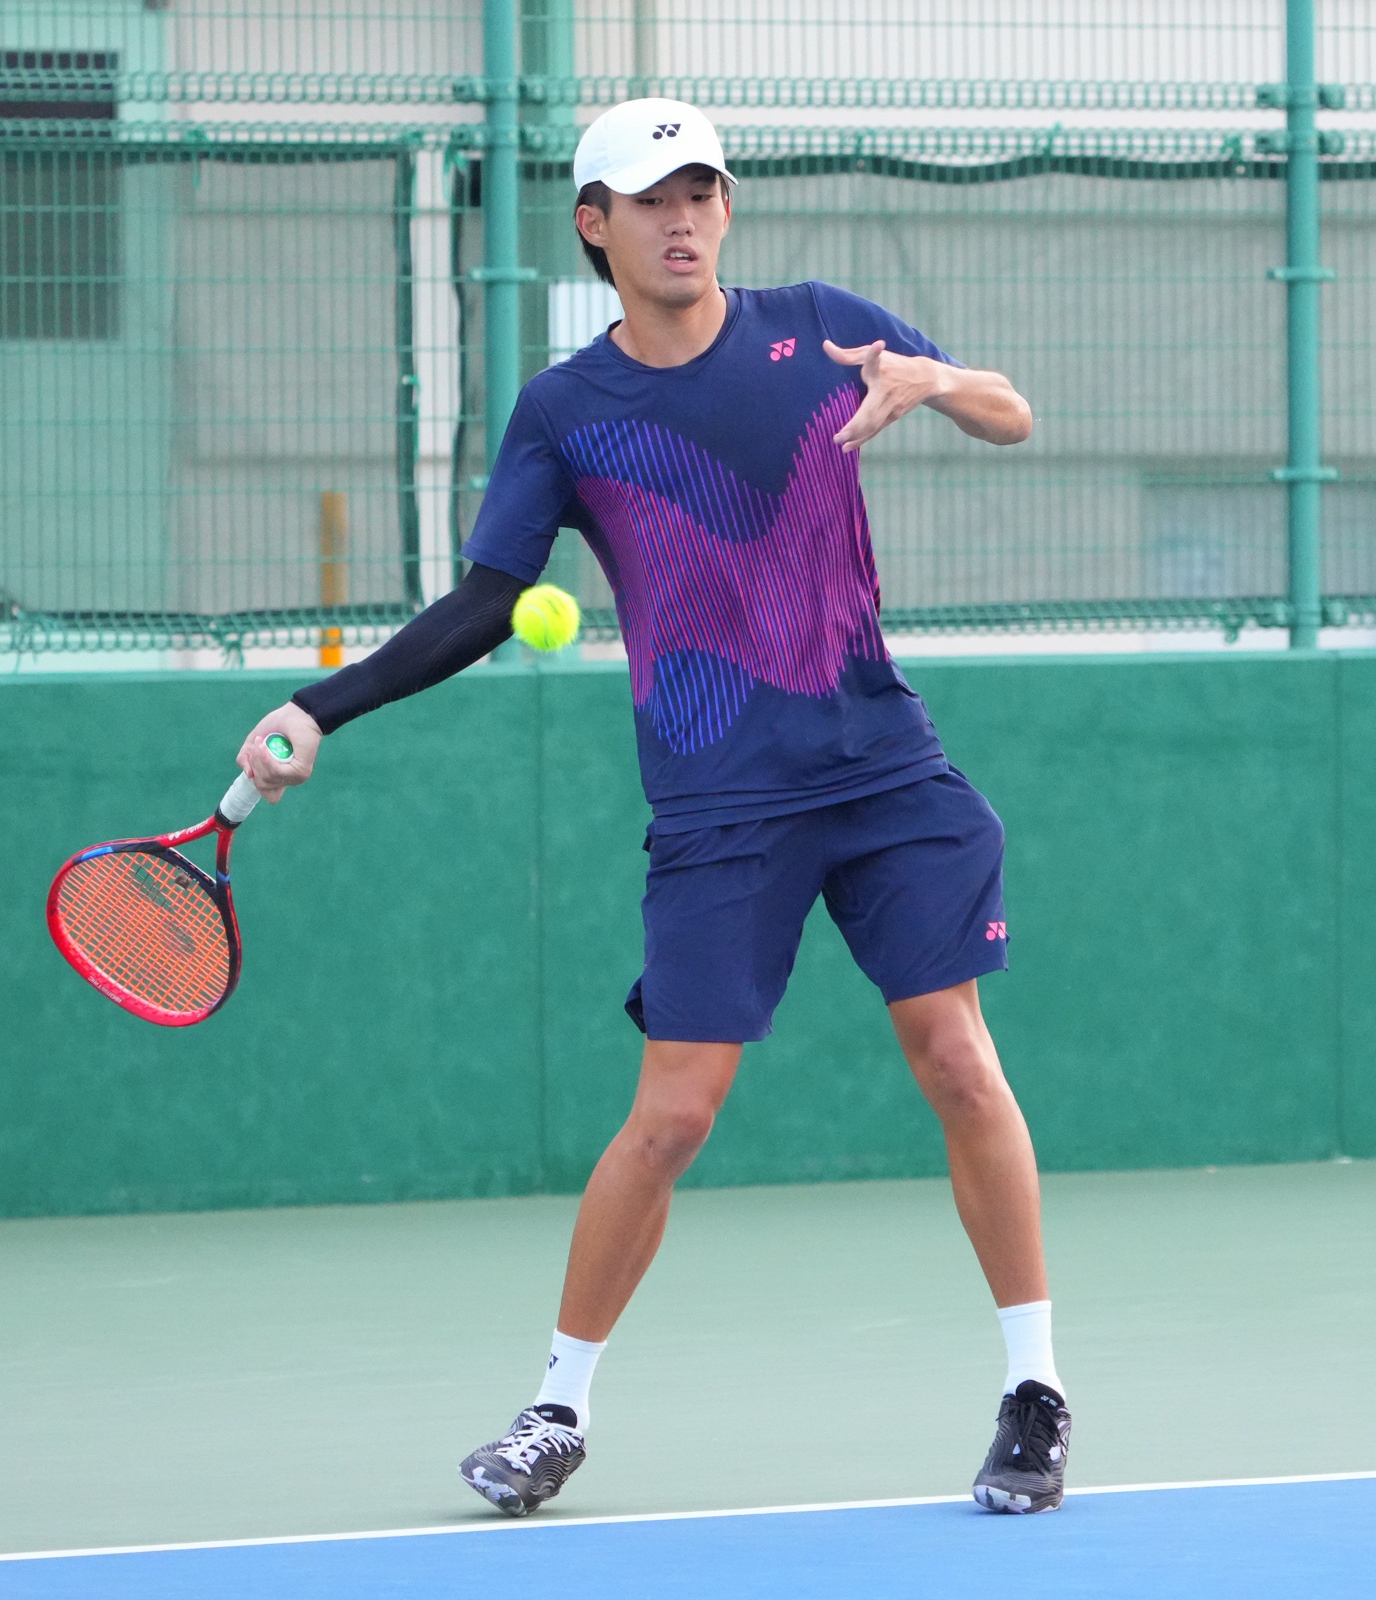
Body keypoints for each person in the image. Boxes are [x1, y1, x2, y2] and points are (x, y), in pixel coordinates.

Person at [232, 99, 1069, 1517]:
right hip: (718, 803)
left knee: (956, 1056)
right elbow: (483, 603)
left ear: (726, 208)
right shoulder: (567, 411)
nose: (683, 220)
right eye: (651, 199)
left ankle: (1034, 1393)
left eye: (702, 193)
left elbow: (1013, 416)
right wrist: (322, 707)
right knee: (672, 1116)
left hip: (882, 770)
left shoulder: (823, 329)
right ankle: (557, 1408)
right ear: (596, 225)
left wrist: (937, 383)